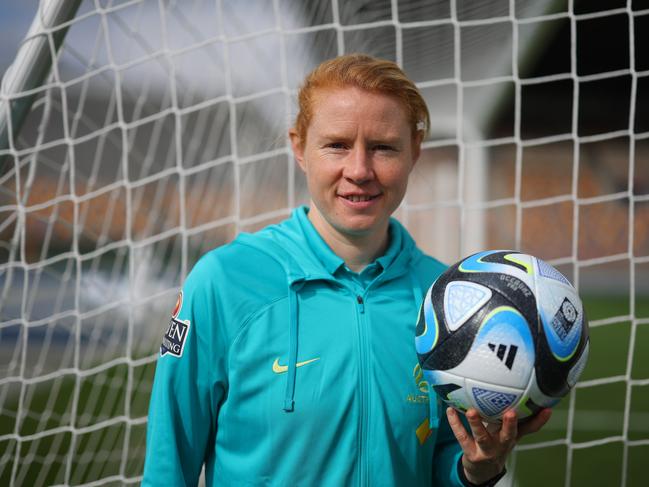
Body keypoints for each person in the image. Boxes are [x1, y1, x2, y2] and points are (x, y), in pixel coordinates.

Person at [142, 53, 550, 486]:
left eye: (383, 147)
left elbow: (444, 466)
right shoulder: (224, 282)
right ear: (299, 147)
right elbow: (169, 467)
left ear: (414, 151)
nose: (359, 170)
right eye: (337, 144)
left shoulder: (446, 301)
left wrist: (475, 469)